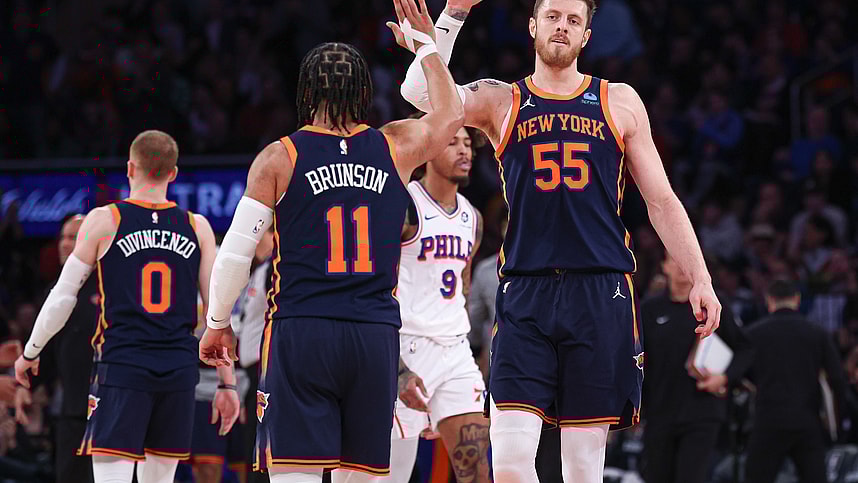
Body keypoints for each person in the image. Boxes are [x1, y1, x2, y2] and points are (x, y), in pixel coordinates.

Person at [399, 0, 722, 480]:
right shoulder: (501, 99)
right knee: (509, 461)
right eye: (552, 16)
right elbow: (422, 95)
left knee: (582, 467)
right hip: (526, 289)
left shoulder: (619, 100)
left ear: (586, 36)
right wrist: (453, 16)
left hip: (599, 290)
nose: (561, 27)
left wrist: (700, 276)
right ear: (533, 25)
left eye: (573, 20)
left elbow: (661, 200)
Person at [196, 0, 465, 480]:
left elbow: (237, 250)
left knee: (293, 473)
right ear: (364, 92)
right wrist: (425, 45)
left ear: (305, 92)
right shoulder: (395, 145)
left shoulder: (280, 156)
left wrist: (218, 322)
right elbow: (449, 113)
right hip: (373, 336)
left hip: (302, 330)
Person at [13, 130, 240, 483]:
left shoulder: (105, 220)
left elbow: (62, 295)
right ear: (173, 173)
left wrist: (31, 351)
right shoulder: (198, 227)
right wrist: (227, 384)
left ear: (130, 168)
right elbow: (217, 313)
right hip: (178, 374)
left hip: (122, 368)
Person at [389, 122, 489, 482]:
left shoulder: (472, 218)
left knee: (477, 471)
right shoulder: (403, 205)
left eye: (468, 144)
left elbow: (462, 288)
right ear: (429, 149)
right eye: (452, 143)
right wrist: (396, 368)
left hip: (455, 352)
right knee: (391, 475)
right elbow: (375, 288)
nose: (464, 151)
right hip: (406, 348)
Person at [640, 254, 753, 483]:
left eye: (685, 259)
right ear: (664, 266)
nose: (681, 265)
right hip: (659, 410)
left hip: (702, 411)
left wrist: (724, 378)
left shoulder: (712, 305)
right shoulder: (649, 308)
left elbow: (745, 349)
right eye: (674, 259)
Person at [14, 213, 98, 483]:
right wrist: (27, 387)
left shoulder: (115, 291)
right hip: (72, 413)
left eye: (74, 238)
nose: (64, 244)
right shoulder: (55, 292)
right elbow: (46, 354)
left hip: (114, 411)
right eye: (63, 237)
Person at [744, 279, 848, 483]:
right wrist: (840, 421)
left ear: (769, 301)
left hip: (768, 420)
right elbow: (837, 378)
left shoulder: (754, 333)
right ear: (797, 299)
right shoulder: (817, 332)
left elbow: (740, 373)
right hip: (807, 421)